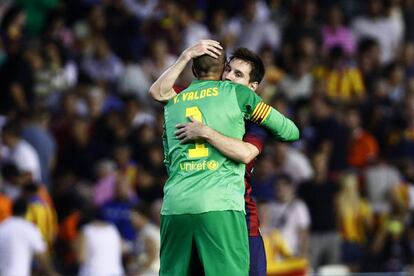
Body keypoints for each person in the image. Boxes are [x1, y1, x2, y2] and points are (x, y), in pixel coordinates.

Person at [149, 40, 299, 275]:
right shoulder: (235, 97)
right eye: (228, 70)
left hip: (183, 208)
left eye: (238, 74)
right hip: (223, 210)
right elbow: (290, 131)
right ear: (220, 70)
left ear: (253, 86)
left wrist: (206, 132)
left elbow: (246, 152)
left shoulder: (179, 99)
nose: (229, 77)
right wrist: (188, 54)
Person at [0, 198, 57, 276]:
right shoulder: (29, 228)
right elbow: (42, 255)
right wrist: (51, 272)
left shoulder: (2, 227)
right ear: (26, 212)